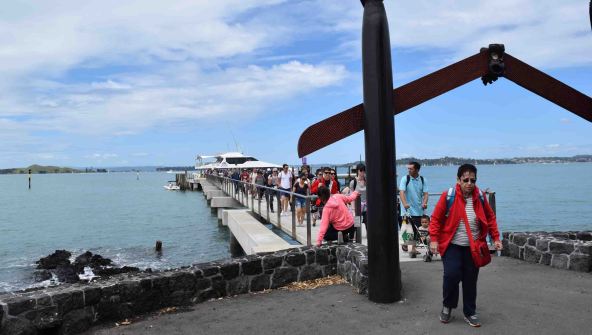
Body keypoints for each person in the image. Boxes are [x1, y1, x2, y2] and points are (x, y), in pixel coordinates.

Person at [429, 164, 502, 327]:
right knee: (451, 276)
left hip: (473, 247)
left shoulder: (481, 197)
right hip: (452, 245)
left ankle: (469, 312)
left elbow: (490, 218)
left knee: (470, 280)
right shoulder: (448, 196)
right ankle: (448, 306)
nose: (469, 183)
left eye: (473, 180)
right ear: (458, 180)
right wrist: (434, 239)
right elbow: (435, 219)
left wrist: (496, 238)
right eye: (466, 180)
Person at [399, 161, 429, 257]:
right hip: (406, 210)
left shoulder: (423, 180)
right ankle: (411, 248)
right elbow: (402, 192)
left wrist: (424, 203)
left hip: (419, 210)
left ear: (417, 170)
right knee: (408, 229)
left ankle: (411, 247)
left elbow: (425, 194)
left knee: (417, 230)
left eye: (411, 169)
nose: (409, 170)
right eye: (408, 168)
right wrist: (404, 203)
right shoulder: (405, 179)